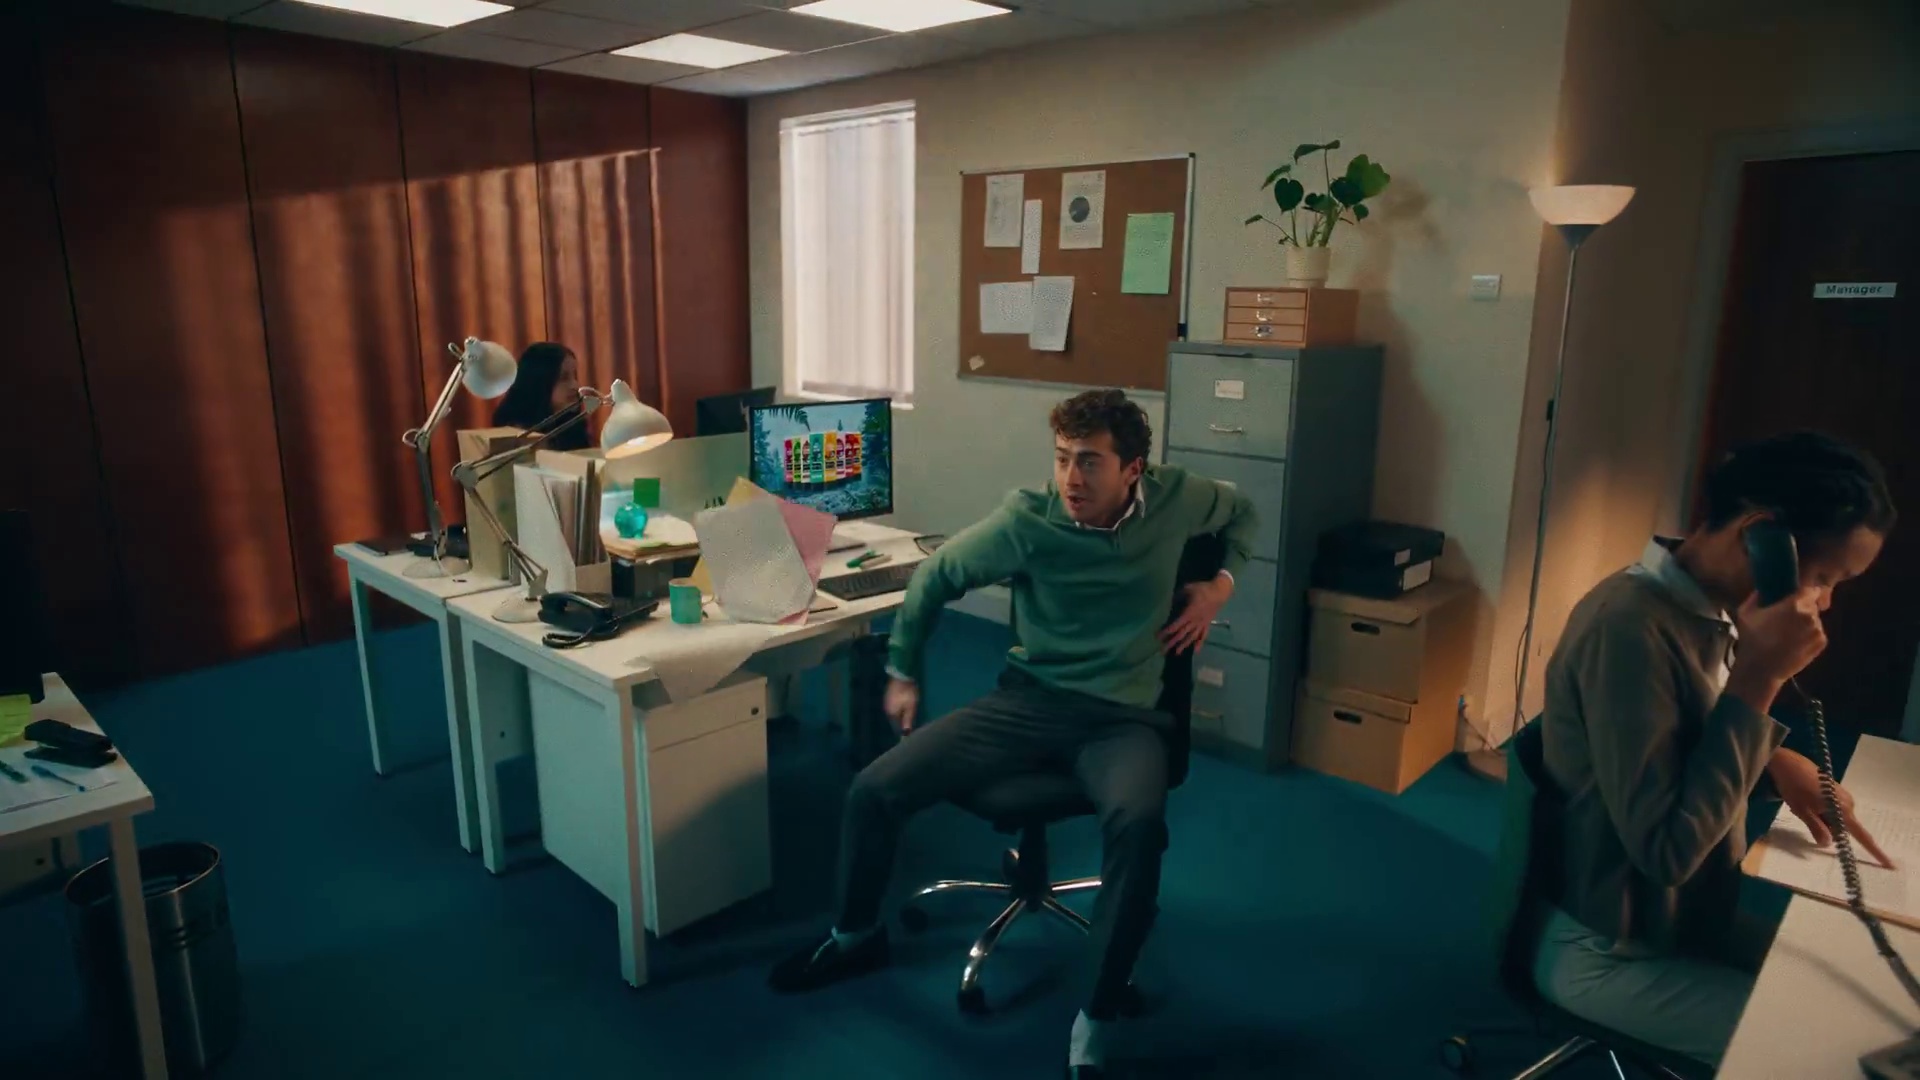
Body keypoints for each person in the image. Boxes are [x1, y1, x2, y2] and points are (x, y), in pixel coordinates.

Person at [768, 389, 1257, 1079]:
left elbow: (1245, 511)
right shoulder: (1030, 519)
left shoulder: (1178, 498)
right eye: (1061, 458)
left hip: (1123, 719)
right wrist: (903, 670)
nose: (1071, 478)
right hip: (1028, 703)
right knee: (876, 787)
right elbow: (936, 575)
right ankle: (854, 936)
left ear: (1133, 470)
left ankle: (1098, 1014)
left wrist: (1219, 587)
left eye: (1089, 462)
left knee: (1139, 826)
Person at [1532, 430, 1897, 1068]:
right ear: (1761, 538)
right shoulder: (1630, 629)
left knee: (1864, 998)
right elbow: (1666, 852)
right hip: (1612, 951)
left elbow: (1680, 737)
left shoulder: (1704, 610)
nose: (1825, 602)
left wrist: (1776, 762)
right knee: (1844, 1056)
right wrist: (1759, 679)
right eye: (1822, 578)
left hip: (1686, 921)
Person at [491, 342, 589, 451]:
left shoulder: (572, 425)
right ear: (539, 381)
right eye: (563, 378)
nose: (575, 385)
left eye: (575, 376)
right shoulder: (515, 431)